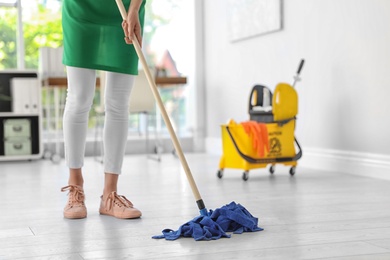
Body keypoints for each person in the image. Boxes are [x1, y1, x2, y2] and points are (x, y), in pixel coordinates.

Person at [60, 0, 146, 219]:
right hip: (81, 9)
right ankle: (75, 187)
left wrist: (134, 9)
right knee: (79, 99)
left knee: (118, 103)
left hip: (126, 11)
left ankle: (110, 195)